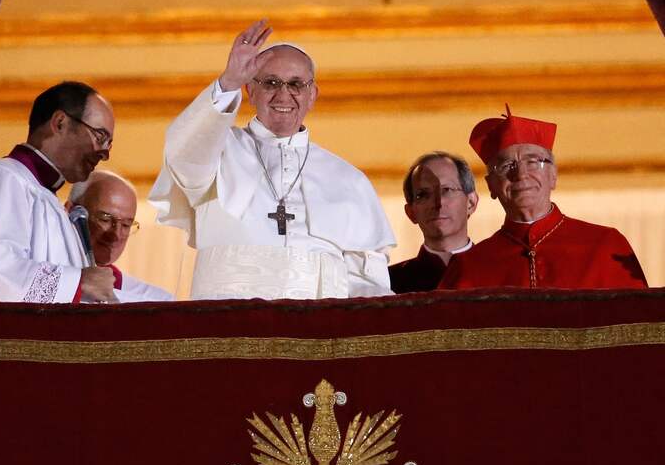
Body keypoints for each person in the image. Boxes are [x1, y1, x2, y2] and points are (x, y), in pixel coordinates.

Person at [149, 19, 395, 300]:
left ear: (312, 95)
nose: (283, 94)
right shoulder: (218, 149)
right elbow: (183, 156)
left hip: (317, 333)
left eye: (296, 84)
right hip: (230, 326)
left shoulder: (349, 180)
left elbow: (368, 282)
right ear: (250, 91)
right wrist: (228, 81)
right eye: (271, 83)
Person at [439, 106, 647, 290]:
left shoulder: (605, 246)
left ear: (553, 176)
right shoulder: (469, 267)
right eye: (506, 166)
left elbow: (642, 326)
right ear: (491, 185)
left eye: (533, 162)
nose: (520, 174)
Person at [0, 81, 117, 303]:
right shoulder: (3, 178)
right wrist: (78, 282)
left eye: (109, 143)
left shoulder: (51, 202)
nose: (105, 154)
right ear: (60, 123)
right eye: (99, 136)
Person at [67, 170, 173, 302]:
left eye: (126, 225)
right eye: (105, 219)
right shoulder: (47, 277)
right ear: (70, 211)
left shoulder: (154, 300)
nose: (116, 235)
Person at [389, 152, 478, 293]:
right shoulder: (389, 284)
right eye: (423, 195)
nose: (438, 203)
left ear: (471, 203)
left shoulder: (502, 273)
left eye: (447, 190)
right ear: (411, 213)